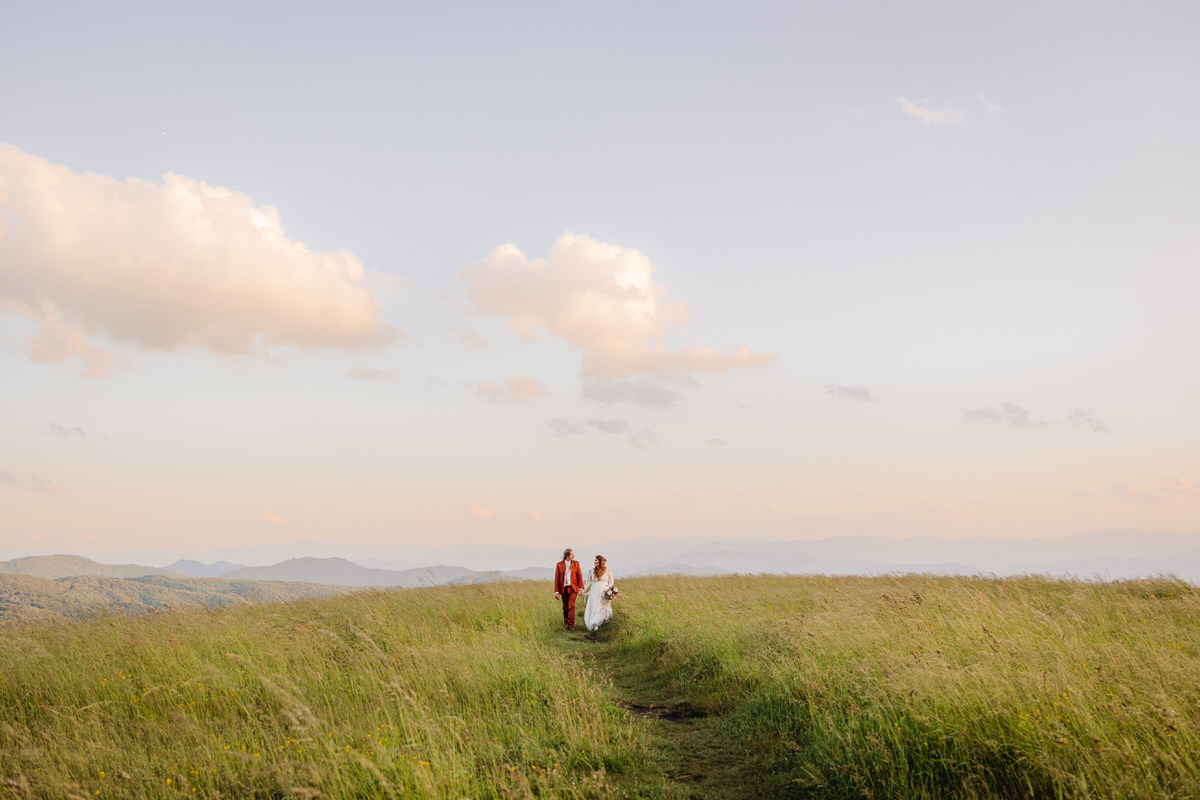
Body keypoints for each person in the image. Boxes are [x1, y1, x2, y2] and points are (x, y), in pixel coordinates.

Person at [582, 554, 617, 631]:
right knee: (594, 606)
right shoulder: (591, 570)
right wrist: (582, 590)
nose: (594, 562)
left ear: (600, 561)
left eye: (596, 560)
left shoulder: (608, 570)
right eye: (594, 560)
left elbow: (611, 581)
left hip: (603, 591)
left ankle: (600, 624)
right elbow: (588, 582)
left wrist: (609, 590)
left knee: (602, 606)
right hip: (594, 591)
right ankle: (593, 624)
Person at [553, 547, 584, 630]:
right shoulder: (559, 565)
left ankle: (571, 625)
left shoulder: (576, 563)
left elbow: (579, 576)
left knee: (571, 606)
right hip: (563, 589)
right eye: (572, 555)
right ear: (567, 556)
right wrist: (556, 592)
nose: (573, 556)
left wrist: (581, 588)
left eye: (573, 555)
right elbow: (557, 579)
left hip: (573, 588)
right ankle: (566, 622)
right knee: (565, 607)